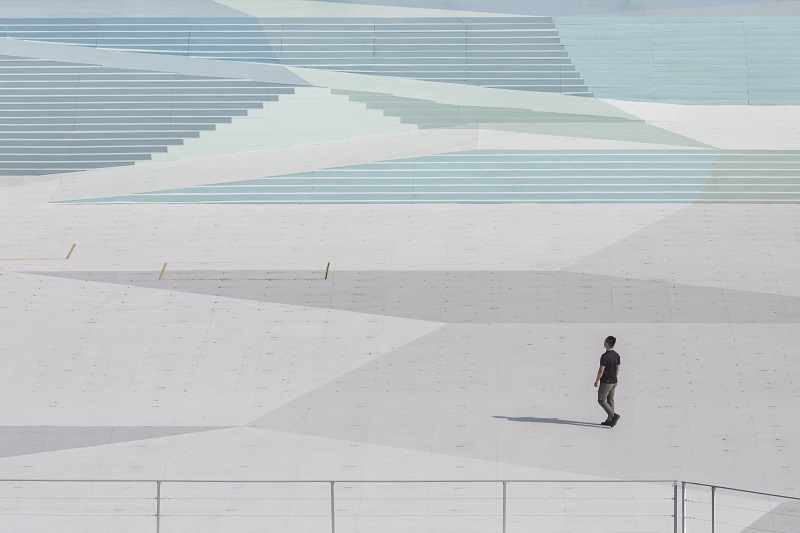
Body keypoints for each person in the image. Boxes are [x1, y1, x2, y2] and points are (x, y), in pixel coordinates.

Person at [594, 336, 621, 427]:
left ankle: (613, 416)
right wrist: (615, 377)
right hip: (614, 381)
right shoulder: (617, 355)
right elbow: (618, 368)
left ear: (607, 343)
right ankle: (610, 420)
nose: (604, 342)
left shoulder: (605, 356)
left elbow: (601, 370)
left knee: (601, 400)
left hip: (606, 382)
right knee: (610, 400)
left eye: (604, 341)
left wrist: (597, 381)